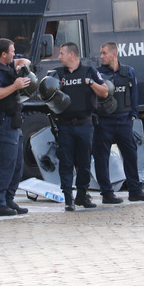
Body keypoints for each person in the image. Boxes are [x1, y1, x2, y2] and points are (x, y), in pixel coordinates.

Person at [93, 42, 144, 202]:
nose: (101, 56)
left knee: (130, 156)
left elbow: (134, 96)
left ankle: (135, 191)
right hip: (105, 122)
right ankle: (107, 193)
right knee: (101, 158)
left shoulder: (128, 72)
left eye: (104, 53)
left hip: (124, 121)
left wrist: (133, 115)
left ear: (114, 54)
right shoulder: (98, 74)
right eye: (101, 53)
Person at [53, 42, 108, 210]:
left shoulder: (89, 71)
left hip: (85, 124)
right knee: (66, 162)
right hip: (65, 125)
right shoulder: (58, 73)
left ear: (72, 55)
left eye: (62, 53)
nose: (59, 57)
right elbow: (45, 93)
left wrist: (90, 82)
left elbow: (104, 91)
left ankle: (82, 195)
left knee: (84, 162)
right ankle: (68, 197)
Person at [0, 38, 34, 216]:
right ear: (3, 54)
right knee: (7, 164)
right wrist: (15, 86)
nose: (14, 54)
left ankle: (8, 199)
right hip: (4, 121)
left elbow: (24, 60)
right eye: (12, 51)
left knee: (17, 164)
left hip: (14, 120)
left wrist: (22, 66)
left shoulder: (7, 64)